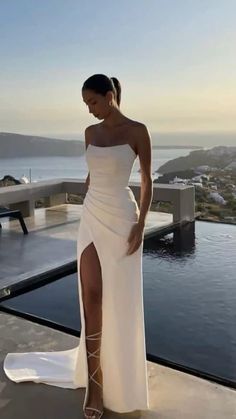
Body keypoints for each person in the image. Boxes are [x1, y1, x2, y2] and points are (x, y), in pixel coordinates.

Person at [3, 74, 153, 419]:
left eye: (94, 102)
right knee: (92, 297)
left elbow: (146, 182)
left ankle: (123, 371)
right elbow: (95, 171)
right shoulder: (91, 134)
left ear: (110, 95)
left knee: (120, 298)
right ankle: (95, 384)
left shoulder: (137, 131)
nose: (90, 111)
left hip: (122, 218)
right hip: (92, 215)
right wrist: (93, 180)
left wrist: (141, 224)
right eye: (86, 105)